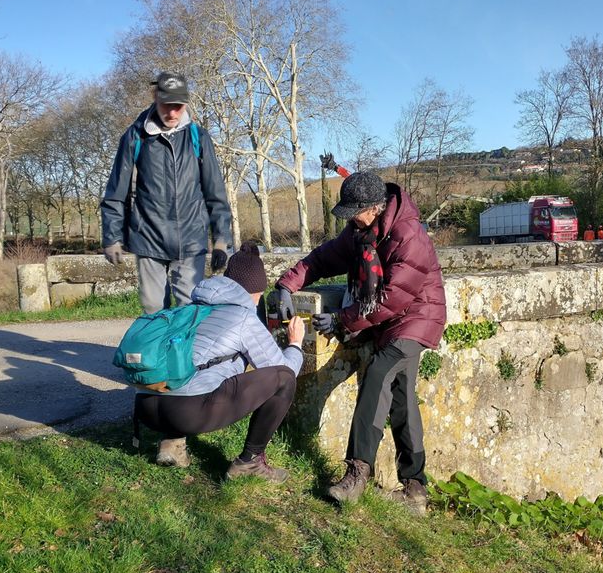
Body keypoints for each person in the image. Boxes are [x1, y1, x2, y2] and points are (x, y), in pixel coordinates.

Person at [268, 171, 446, 514]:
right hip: (386, 323)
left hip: (416, 318)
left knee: (378, 374)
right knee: (402, 400)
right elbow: (320, 259)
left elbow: (394, 299)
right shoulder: (360, 233)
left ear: (375, 208)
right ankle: (415, 489)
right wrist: (286, 286)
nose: (349, 219)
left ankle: (357, 473)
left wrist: (341, 319)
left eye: (354, 211)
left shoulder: (409, 236)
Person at [134, 242, 306, 482]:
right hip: (187, 413)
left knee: (195, 370)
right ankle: (250, 461)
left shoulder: (191, 308)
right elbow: (284, 369)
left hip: (146, 407)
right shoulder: (244, 316)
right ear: (254, 291)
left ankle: (171, 442)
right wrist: (295, 344)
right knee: (284, 379)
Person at [100, 71, 232, 313]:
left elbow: (216, 193)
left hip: (191, 238)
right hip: (148, 236)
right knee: (153, 308)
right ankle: (158, 351)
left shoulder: (199, 138)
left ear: (186, 104)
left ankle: (183, 352)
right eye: (166, 105)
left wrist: (222, 240)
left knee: (188, 307)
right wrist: (112, 237)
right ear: (155, 98)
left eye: (178, 106)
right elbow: (115, 193)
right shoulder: (135, 137)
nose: (172, 113)